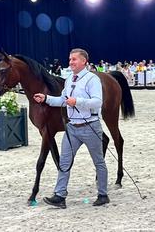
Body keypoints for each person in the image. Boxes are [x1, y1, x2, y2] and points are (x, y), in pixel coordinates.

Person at [33, 48, 109, 209]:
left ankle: (103, 194)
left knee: (98, 162)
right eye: (70, 59)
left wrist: (78, 101)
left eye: (74, 59)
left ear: (84, 61)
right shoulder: (69, 80)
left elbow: (97, 102)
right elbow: (62, 100)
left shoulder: (92, 80)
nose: (71, 62)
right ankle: (60, 196)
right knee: (64, 162)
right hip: (72, 128)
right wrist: (46, 98)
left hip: (90, 126)